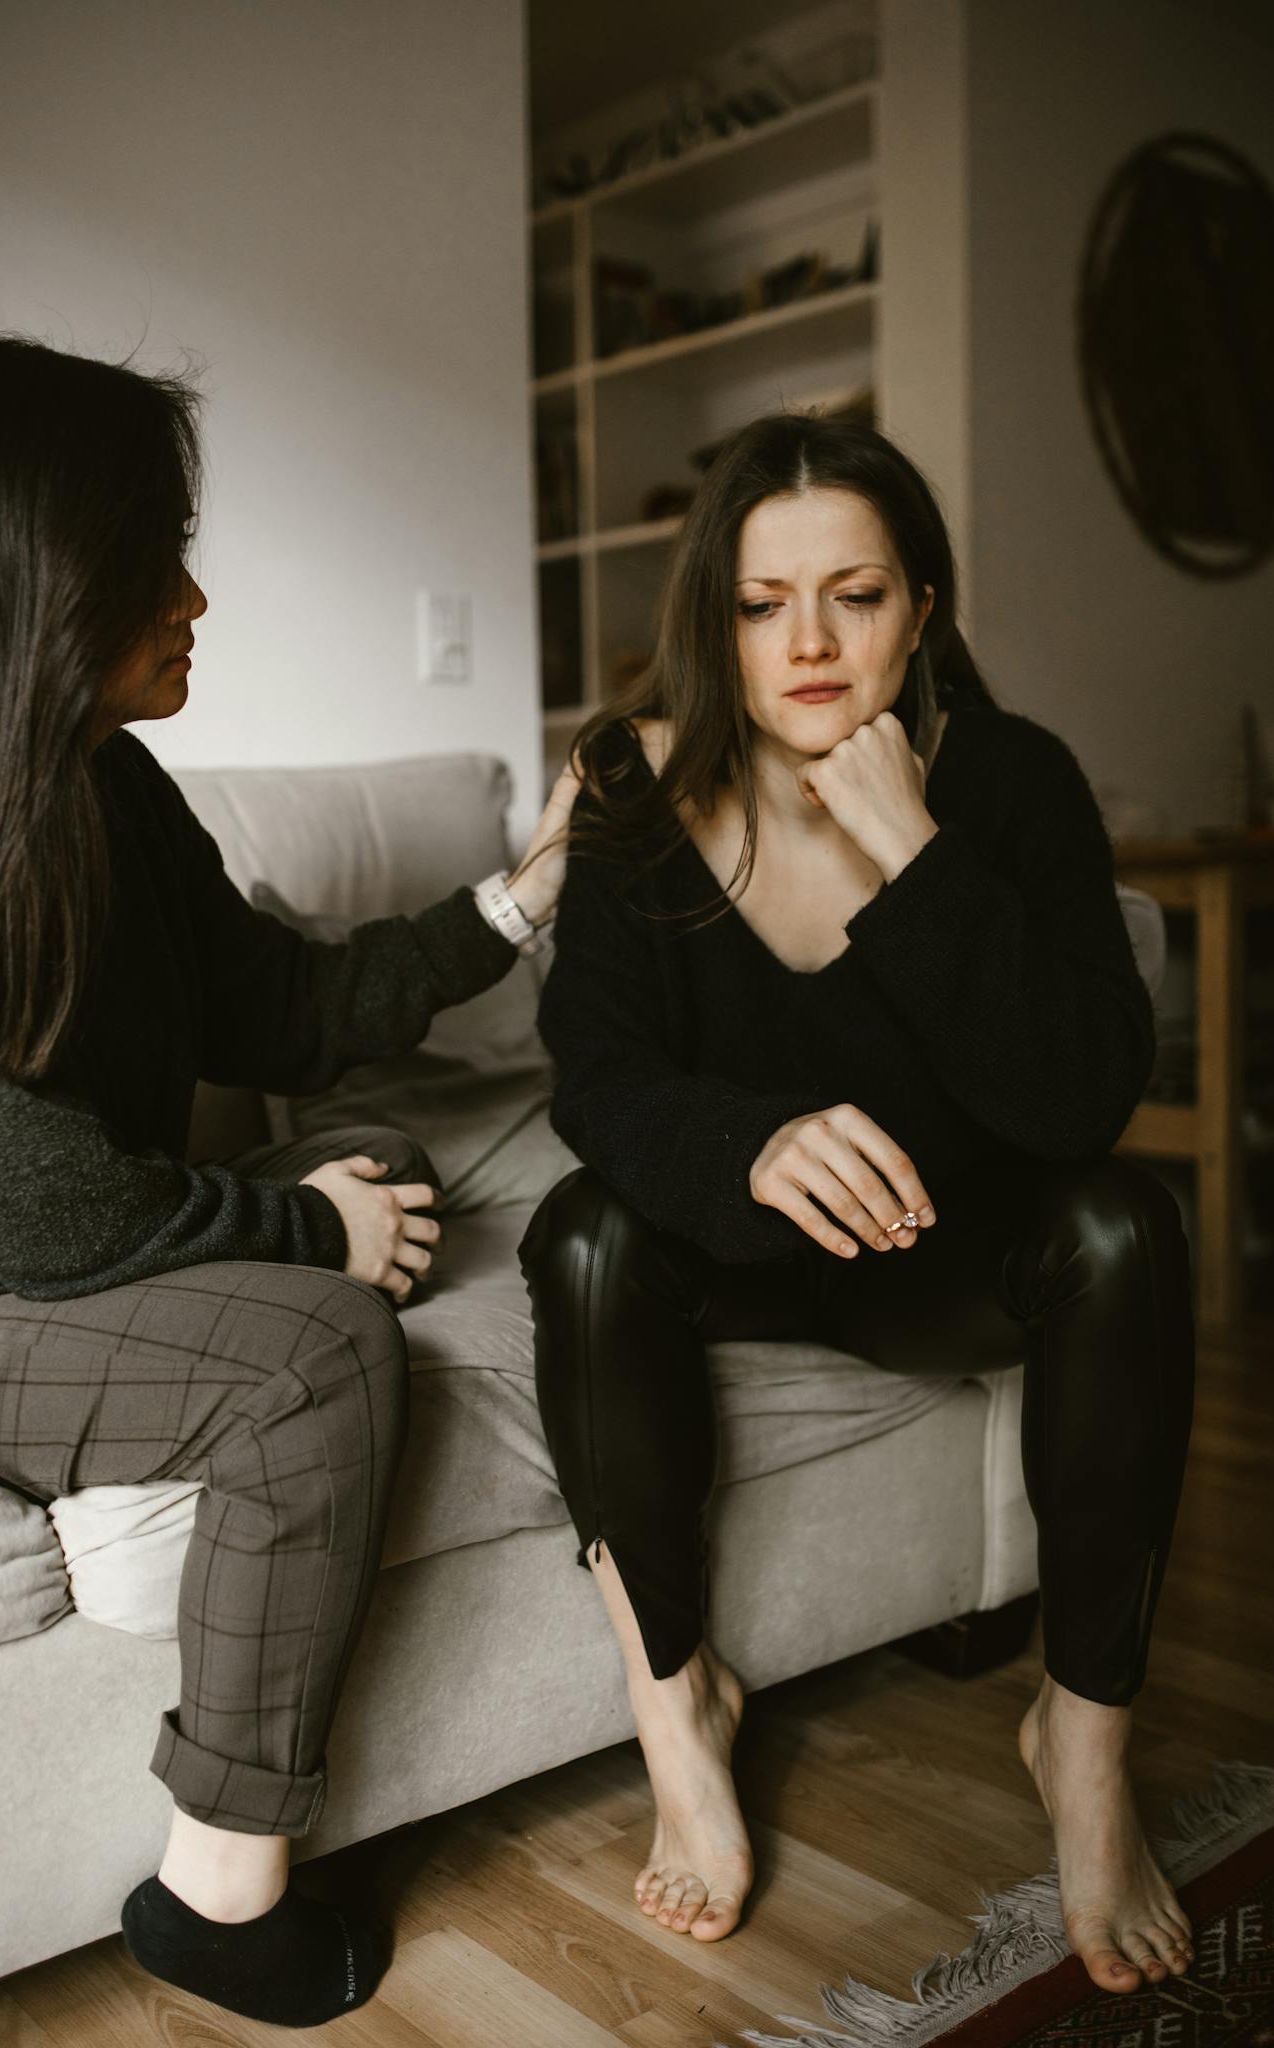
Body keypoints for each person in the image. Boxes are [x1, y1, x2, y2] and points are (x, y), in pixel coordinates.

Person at [0, 333, 578, 2029]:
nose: (194, 598)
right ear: (46, 579)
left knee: (386, 1163)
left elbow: (281, 1007)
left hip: (76, 1248)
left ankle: (302, 1251)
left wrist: (523, 890)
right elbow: (51, 1219)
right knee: (317, 1352)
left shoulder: (115, 791)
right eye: (158, 559)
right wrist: (302, 1240)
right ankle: (219, 1892)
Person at [518, 411, 1196, 1996]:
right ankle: (681, 1710)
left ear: (924, 608)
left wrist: (914, 859)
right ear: (714, 618)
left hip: (944, 1256)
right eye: (762, 605)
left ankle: (1079, 1742)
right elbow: (597, 1080)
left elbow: (1081, 1098)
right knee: (579, 1232)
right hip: (729, 1256)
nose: (808, 642)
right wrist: (745, 1144)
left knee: (1125, 1220)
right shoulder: (632, 785)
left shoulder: (1010, 780)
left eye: (855, 594)